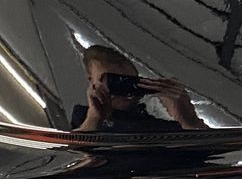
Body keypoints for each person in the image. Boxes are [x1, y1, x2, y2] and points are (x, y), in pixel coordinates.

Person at [71, 44, 205, 131]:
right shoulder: (81, 117)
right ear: (92, 81)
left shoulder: (160, 124)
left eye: (128, 81)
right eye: (111, 81)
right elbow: (70, 158)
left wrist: (189, 120)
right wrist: (93, 119)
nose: (121, 87)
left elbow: (212, 154)